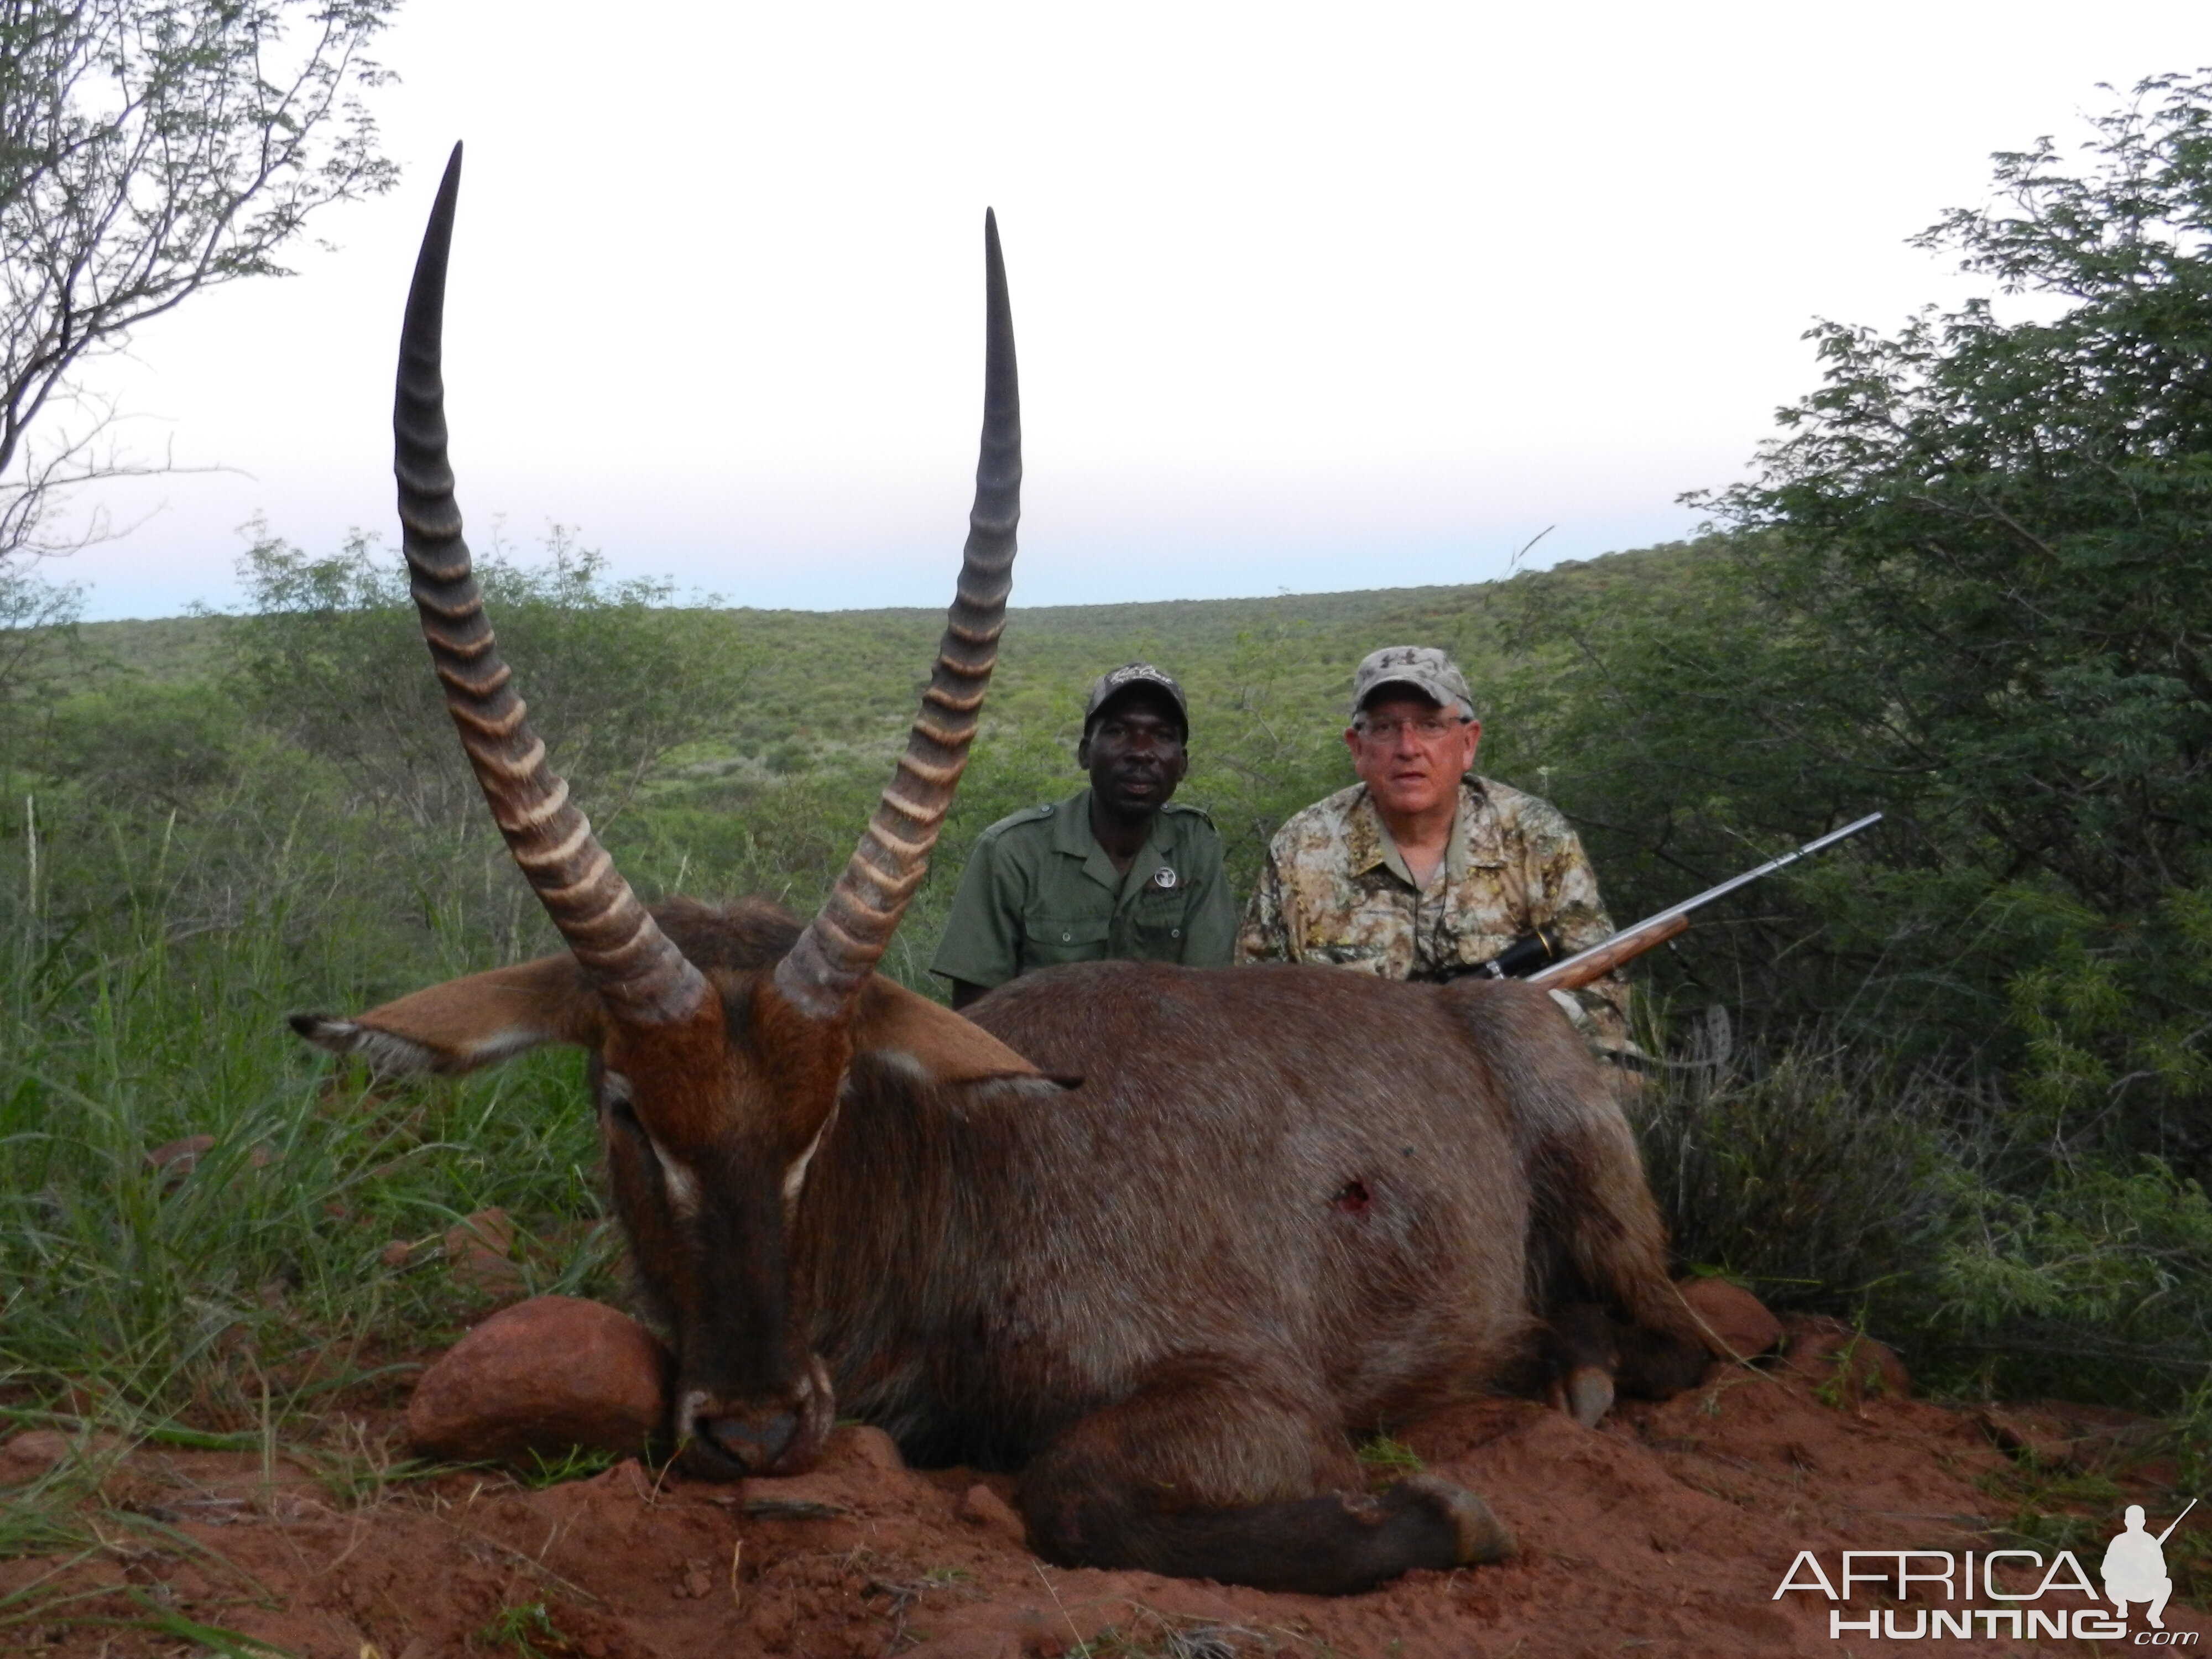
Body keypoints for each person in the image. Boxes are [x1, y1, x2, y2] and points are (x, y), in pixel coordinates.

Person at [1237, 644, 1633, 1055]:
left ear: (1468, 742)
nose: (1408, 747)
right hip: (1352, 1089)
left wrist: (1498, 1027)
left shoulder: (1533, 834)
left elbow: (1606, 1002)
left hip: (1509, 1074)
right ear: (1358, 747)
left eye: (1430, 725)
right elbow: (1255, 1010)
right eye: (1386, 728)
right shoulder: (1300, 848)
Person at [931, 662, 1237, 1009]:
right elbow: (977, 1014)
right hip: (1037, 1056)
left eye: (1162, 735)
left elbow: (1208, 996)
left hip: (1163, 1054)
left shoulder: (1196, 843)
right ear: (1084, 753)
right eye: (1119, 732)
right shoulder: (1012, 851)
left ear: (1182, 765)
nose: (1141, 751)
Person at [2102, 1505, 2174, 1630]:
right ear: (2126, 1522)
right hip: (2122, 1587)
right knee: (2110, 1583)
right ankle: (2122, 1606)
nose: (2134, 1523)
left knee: (2166, 1583)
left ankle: (2154, 1615)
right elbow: (2106, 1569)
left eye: (2138, 1520)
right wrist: (2122, 1570)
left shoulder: (2151, 1542)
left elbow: (2162, 1570)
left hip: (2144, 1588)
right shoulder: (2118, 1541)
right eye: (2131, 1520)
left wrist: (2147, 1568)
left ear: (2143, 1522)